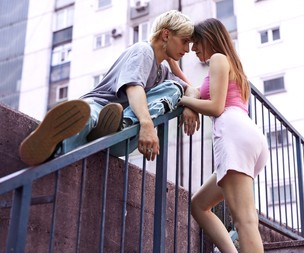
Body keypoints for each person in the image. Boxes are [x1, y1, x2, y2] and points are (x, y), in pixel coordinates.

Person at [19, 10, 200, 166]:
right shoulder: (143, 50)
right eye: (184, 41)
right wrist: (147, 124)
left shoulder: (163, 72)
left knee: (175, 88)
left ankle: (114, 127)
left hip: (122, 134)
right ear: (166, 35)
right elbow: (133, 87)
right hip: (101, 106)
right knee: (88, 117)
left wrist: (191, 106)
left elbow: (191, 90)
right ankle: (52, 149)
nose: (187, 49)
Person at [177, 18, 269, 253]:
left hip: (232, 134)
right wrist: (189, 93)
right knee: (199, 204)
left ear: (209, 38)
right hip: (248, 136)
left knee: (245, 220)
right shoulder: (232, 65)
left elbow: (216, 106)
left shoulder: (218, 59)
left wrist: (183, 102)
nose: (194, 49)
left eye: (196, 43)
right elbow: (196, 89)